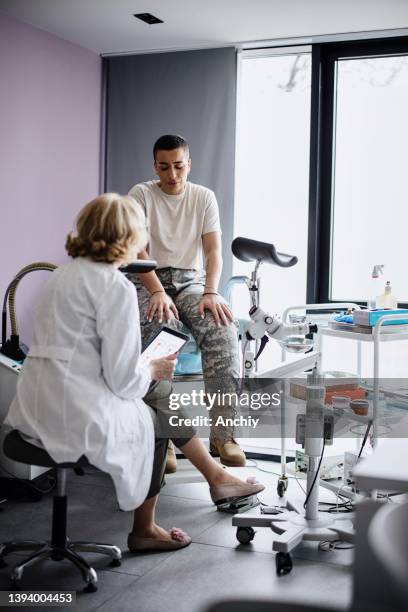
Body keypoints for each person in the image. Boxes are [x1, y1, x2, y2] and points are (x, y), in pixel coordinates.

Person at [4, 193, 263, 553]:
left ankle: (215, 479)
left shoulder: (59, 278)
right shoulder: (115, 288)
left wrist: (141, 369)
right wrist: (152, 366)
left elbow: (80, 355)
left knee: (155, 398)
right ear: (130, 237)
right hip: (72, 417)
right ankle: (149, 526)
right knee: (155, 410)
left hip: (34, 410)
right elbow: (123, 382)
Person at [128, 134, 246, 469]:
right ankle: (163, 439)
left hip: (192, 282)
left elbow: (213, 252)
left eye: (179, 166)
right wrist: (156, 291)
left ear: (188, 164)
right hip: (149, 280)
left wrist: (211, 291)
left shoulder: (203, 198)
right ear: (155, 166)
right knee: (162, 331)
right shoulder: (141, 194)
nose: (173, 174)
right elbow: (139, 251)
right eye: (164, 167)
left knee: (222, 328)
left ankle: (224, 435)